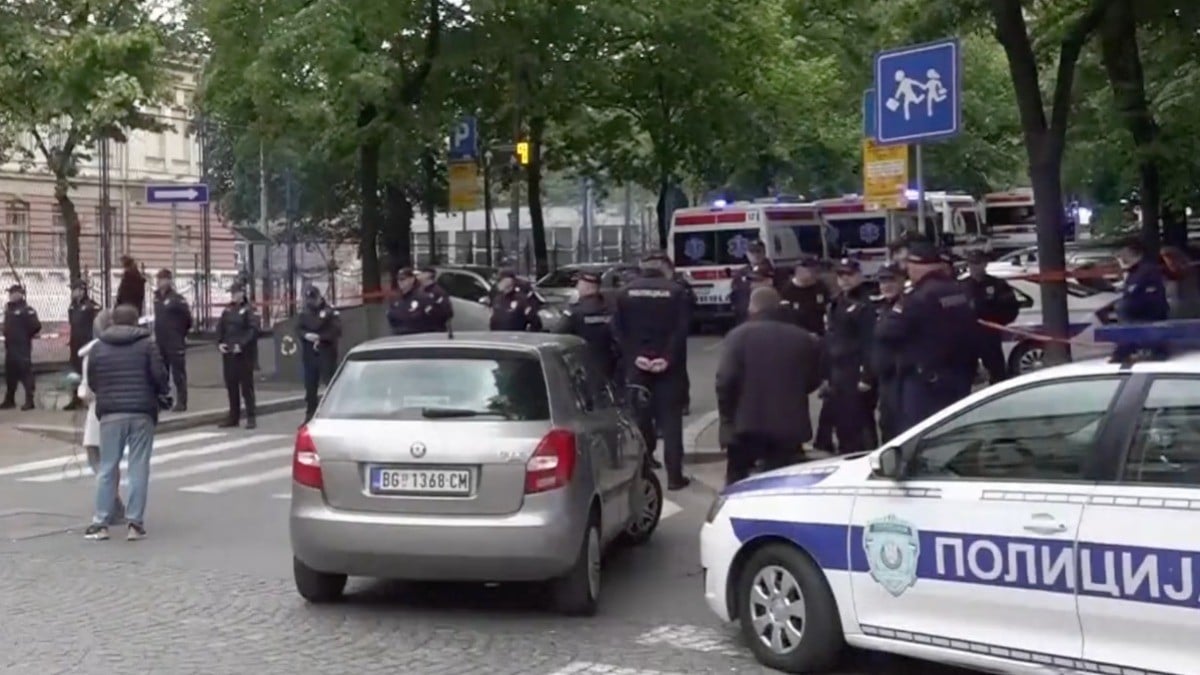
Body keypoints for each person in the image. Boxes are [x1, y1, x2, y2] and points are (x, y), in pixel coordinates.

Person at [716, 287, 823, 486]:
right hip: (789, 426)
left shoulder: (737, 336)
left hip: (746, 425)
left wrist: (728, 418)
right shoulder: (803, 338)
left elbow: (725, 380)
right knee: (783, 483)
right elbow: (813, 379)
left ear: (752, 307)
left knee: (737, 483)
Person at [84, 304, 169, 541]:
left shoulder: (99, 347)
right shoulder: (147, 345)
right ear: (136, 322)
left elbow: (93, 380)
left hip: (111, 413)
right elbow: (160, 377)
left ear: (113, 322)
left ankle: (101, 522)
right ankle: (134, 524)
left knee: (107, 467)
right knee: (138, 466)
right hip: (142, 412)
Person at [876, 241, 979, 434]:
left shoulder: (918, 296)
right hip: (959, 374)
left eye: (909, 265)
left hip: (925, 381)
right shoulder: (958, 290)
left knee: (918, 435)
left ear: (918, 266)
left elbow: (887, 331)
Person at [612, 251, 692, 490]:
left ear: (641, 267)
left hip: (638, 368)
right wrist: (665, 358)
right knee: (671, 421)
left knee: (640, 419)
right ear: (661, 267)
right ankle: (675, 477)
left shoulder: (625, 293)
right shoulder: (676, 292)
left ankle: (644, 472)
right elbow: (682, 330)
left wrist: (635, 356)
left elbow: (617, 330)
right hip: (670, 368)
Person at [823, 259, 878, 454]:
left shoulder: (865, 304)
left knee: (860, 420)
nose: (844, 279)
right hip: (838, 371)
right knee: (843, 420)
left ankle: (864, 455)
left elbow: (870, 342)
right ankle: (847, 452)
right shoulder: (836, 302)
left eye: (849, 275)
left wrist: (867, 375)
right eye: (840, 275)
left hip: (856, 370)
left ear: (858, 276)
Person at [76, 309, 125, 526]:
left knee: (96, 458)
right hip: (121, 409)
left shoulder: (93, 352)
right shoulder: (126, 346)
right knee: (111, 460)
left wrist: (80, 393)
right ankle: (115, 503)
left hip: (98, 410)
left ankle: (110, 504)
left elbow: (87, 389)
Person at [961, 250, 1020, 384]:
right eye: (971, 264)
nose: (974, 268)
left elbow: (1011, 308)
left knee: (998, 374)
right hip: (967, 337)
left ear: (985, 264)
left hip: (989, 336)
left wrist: (995, 321)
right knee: (964, 375)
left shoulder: (997, 285)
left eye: (978, 263)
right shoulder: (961, 286)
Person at [557, 271, 618, 381]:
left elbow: (558, 334)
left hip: (584, 364)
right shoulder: (610, 307)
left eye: (579, 284)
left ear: (586, 287)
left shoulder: (575, 311)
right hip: (611, 363)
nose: (577, 287)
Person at [216, 282, 259, 429]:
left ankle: (251, 416)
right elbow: (220, 328)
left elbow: (252, 330)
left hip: (243, 354)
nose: (233, 296)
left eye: (236, 293)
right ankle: (233, 417)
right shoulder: (227, 310)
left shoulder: (249, 310)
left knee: (246, 387)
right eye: (232, 293)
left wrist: (241, 345)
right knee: (231, 386)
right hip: (229, 353)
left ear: (242, 293)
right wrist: (219, 343)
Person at [871, 263, 905, 443]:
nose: (886, 286)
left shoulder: (907, 305)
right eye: (882, 281)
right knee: (886, 424)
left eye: (891, 280)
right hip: (884, 378)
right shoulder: (880, 307)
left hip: (902, 377)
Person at [297, 286, 341, 423]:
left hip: (326, 353)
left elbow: (336, 330)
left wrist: (319, 337)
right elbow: (298, 328)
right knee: (310, 387)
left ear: (319, 297)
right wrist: (306, 335)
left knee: (329, 384)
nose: (310, 303)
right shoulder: (305, 313)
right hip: (309, 354)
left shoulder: (330, 311)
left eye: (313, 299)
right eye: (308, 300)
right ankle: (310, 415)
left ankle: (333, 413)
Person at [152, 269, 192, 412]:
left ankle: (182, 401)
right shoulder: (157, 298)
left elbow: (188, 320)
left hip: (174, 341)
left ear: (169, 281)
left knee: (178, 374)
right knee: (161, 373)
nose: (159, 282)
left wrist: (180, 334)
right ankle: (163, 400)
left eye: (162, 279)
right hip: (161, 341)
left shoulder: (177, 299)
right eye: (158, 279)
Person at [662, 256, 695, 415]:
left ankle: (683, 402)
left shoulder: (680, 284)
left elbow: (690, 304)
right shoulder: (662, 284)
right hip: (663, 331)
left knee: (679, 368)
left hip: (677, 330)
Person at [2, 284, 40, 410]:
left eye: (13, 293)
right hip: (10, 347)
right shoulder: (9, 310)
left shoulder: (27, 309)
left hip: (22, 347)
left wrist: (24, 336)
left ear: (19, 294)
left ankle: (30, 400)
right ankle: (10, 399)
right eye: (10, 293)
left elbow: (36, 326)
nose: (10, 295)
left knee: (25, 374)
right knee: (10, 375)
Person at [64, 279, 100, 410]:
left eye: (74, 290)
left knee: (88, 372)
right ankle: (75, 398)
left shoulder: (91, 306)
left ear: (82, 290)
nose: (72, 292)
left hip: (87, 344)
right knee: (74, 372)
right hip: (75, 345)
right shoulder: (72, 306)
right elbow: (71, 323)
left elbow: (97, 324)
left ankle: (89, 399)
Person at [778, 255, 830, 336]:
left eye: (815, 270)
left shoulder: (821, 286)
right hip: (798, 335)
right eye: (810, 270)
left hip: (820, 334)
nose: (814, 273)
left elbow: (826, 308)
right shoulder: (787, 290)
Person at [730, 240, 775, 325]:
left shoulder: (774, 272)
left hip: (768, 315)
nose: (755, 255)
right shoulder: (741, 273)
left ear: (764, 253)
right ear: (747, 254)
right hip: (746, 316)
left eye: (758, 252)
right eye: (752, 252)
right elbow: (735, 292)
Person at [387, 267, 436, 335]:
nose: (400, 282)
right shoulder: (396, 299)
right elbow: (391, 317)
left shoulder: (423, 298)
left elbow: (432, 320)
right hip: (399, 337)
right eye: (398, 279)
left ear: (412, 279)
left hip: (418, 337)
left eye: (403, 279)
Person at [1160, 246, 1200, 319]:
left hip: (1192, 315)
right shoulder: (1162, 278)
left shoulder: (1191, 274)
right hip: (1172, 317)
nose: (1169, 263)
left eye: (1170, 260)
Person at [417, 267, 454, 333]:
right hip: (422, 330)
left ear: (427, 275)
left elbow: (447, 312)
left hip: (435, 330)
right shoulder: (421, 290)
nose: (418, 276)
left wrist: (430, 311)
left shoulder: (438, 292)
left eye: (421, 273)